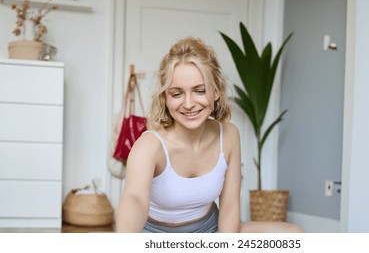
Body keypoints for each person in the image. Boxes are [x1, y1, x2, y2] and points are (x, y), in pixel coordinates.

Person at [116, 37, 302, 233]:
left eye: (200, 90)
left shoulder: (229, 135)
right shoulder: (149, 146)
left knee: (293, 234)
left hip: (210, 230)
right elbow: (134, 200)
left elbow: (229, 206)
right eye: (177, 93)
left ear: (216, 91)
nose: (188, 104)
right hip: (157, 237)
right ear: (165, 98)